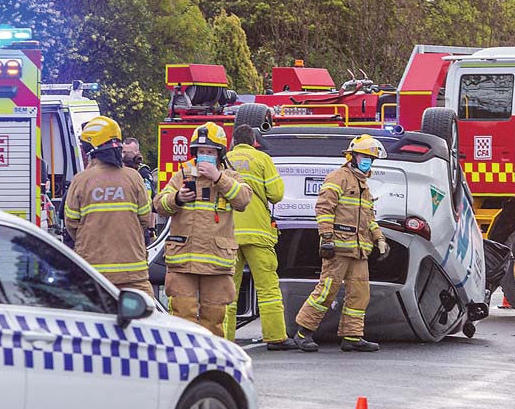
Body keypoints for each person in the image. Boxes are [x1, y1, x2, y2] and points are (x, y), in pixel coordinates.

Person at [154, 122, 252, 337]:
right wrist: (177, 198)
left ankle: (214, 362)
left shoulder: (230, 177)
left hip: (216, 262)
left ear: (219, 154)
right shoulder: (183, 174)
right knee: (182, 317)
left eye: (210, 152)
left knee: (214, 319)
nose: (204, 156)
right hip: (183, 261)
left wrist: (218, 178)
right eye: (200, 151)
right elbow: (159, 204)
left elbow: (243, 200)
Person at [293, 134, 389, 353]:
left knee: (360, 293)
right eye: (364, 156)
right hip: (338, 248)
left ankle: (352, 336)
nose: (367, 161)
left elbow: (369, 220)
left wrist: (380, 239)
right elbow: (324, 209)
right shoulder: (339, 177)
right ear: (352, 156)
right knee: (326, 291)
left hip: (359, 250)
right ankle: (302, 332)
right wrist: (326, 239)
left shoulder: (364, 186)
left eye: (370, 158)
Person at [222, 124, 295, 350]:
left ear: (233, 141)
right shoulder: (262, 159)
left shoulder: (224, 160)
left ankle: (224, 338)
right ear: (253, 140)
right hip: (258, 233)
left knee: (227, 290)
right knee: (267, 289)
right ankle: (275, 337)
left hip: (229, 233)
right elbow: (276, 194)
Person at [64, 116, 153, 295]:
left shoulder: (80, 180)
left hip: (93, 273)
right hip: (133, 274)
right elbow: (145, 217)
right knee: (142, 319)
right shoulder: (134, 177)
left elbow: (71, 223)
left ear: (90, 148)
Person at [123, 137, 158, 244]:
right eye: (124, 152)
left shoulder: (143, 173)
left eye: (130, 152)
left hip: (139, 227)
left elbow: (150, 203)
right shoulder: (118, 170)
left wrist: (151, 229)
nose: (125, 155)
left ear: (137, 153)